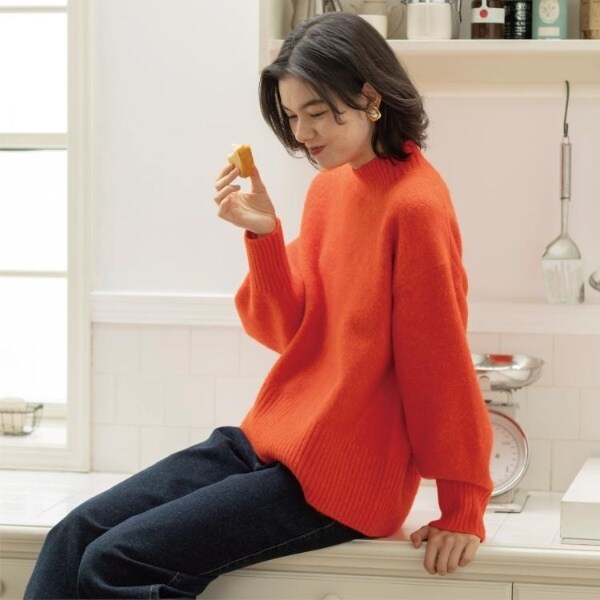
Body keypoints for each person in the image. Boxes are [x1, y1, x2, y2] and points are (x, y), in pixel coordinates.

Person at [25, 11, 493, 599]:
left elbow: (439, 361)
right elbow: (287, 330)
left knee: (117, 562)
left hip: (341, 480)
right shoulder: (330, 189)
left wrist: (463, 503)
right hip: (269, 441)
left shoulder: (416, 206)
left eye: (316, 113)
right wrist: (266, 237)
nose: (302, 133)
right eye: (292, 117)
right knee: (71, 537)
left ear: (370, 97)